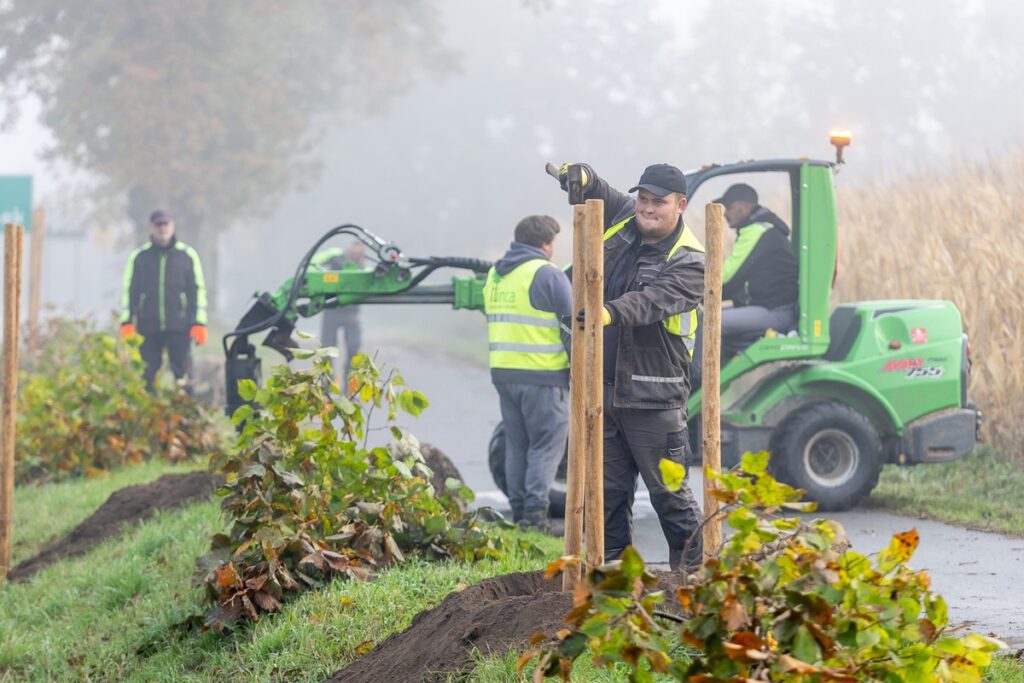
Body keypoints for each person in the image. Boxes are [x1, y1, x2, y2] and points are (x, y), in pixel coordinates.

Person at [558, 162, 705, 570]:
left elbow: (655, 300)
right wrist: (583, 175)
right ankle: (613, 582)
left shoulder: (690, 261)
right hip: (604, 394)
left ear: (680, 205)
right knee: (607, 496)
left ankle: (694, 579)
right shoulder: (626, 219)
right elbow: (600, 191)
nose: (647, 208)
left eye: (658, 202)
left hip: (654, 399)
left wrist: (608, 313)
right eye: (643, 199)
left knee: (670, 497)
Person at [483, 215, 573, 531]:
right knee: (546, 446)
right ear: (546, 244)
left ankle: (520, 511)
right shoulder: (548, 274)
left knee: (518, 445)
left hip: (505, 374)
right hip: (543, 376)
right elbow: (571, 328)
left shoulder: (495, 274)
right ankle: (536, 517)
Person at [120, 209, 208, 391]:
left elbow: (197, 290)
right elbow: (130, 290)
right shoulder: (139, 257)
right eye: (158, 225)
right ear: (151, 227)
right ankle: (149, 416)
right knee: (147, 376)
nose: (162, 229)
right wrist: (127, 321)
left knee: (183, 375)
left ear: (172, 226)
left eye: (165, 224)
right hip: (148, 327)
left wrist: (199, 322)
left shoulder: (187, 255)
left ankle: (187, 415)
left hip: (180, 326)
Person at [715, 183, 799, 356]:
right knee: (707, 317)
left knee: (710, 321)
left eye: (729, 207)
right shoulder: (762, 229)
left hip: (775, 311)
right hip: (766, 307)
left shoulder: (757, 230)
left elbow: (725, 278)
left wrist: (694, 289)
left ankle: (699, 377)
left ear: (746, 207)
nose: (724, 213)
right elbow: (735, 282)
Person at [313, 242, 366, 379]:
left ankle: (349, 387)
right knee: (327, 349)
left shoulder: (364, 268)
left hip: (351, 313)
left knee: (354, 350)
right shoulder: (334, 257)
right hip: (332, 311)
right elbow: (313, 264)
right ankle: (327, 385)